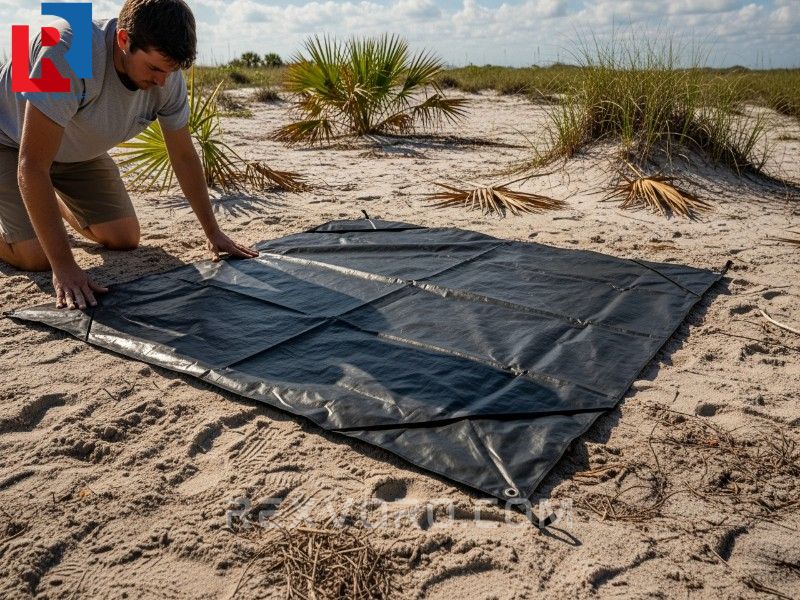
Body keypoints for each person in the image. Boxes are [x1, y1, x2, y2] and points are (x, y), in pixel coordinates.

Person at [0, 0, 258, 310]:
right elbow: (31, 165)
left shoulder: (167, 73)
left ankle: (42, 203)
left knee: (124, 237)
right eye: (154, 69)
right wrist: (66, 268)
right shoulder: (68, 48)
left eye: (171, 70)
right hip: (11, 142)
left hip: (76, 149)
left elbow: (184, 155)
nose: (162, 81)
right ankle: (29, 209)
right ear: (124, 40)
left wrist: (213, 232)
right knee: (38, 256)